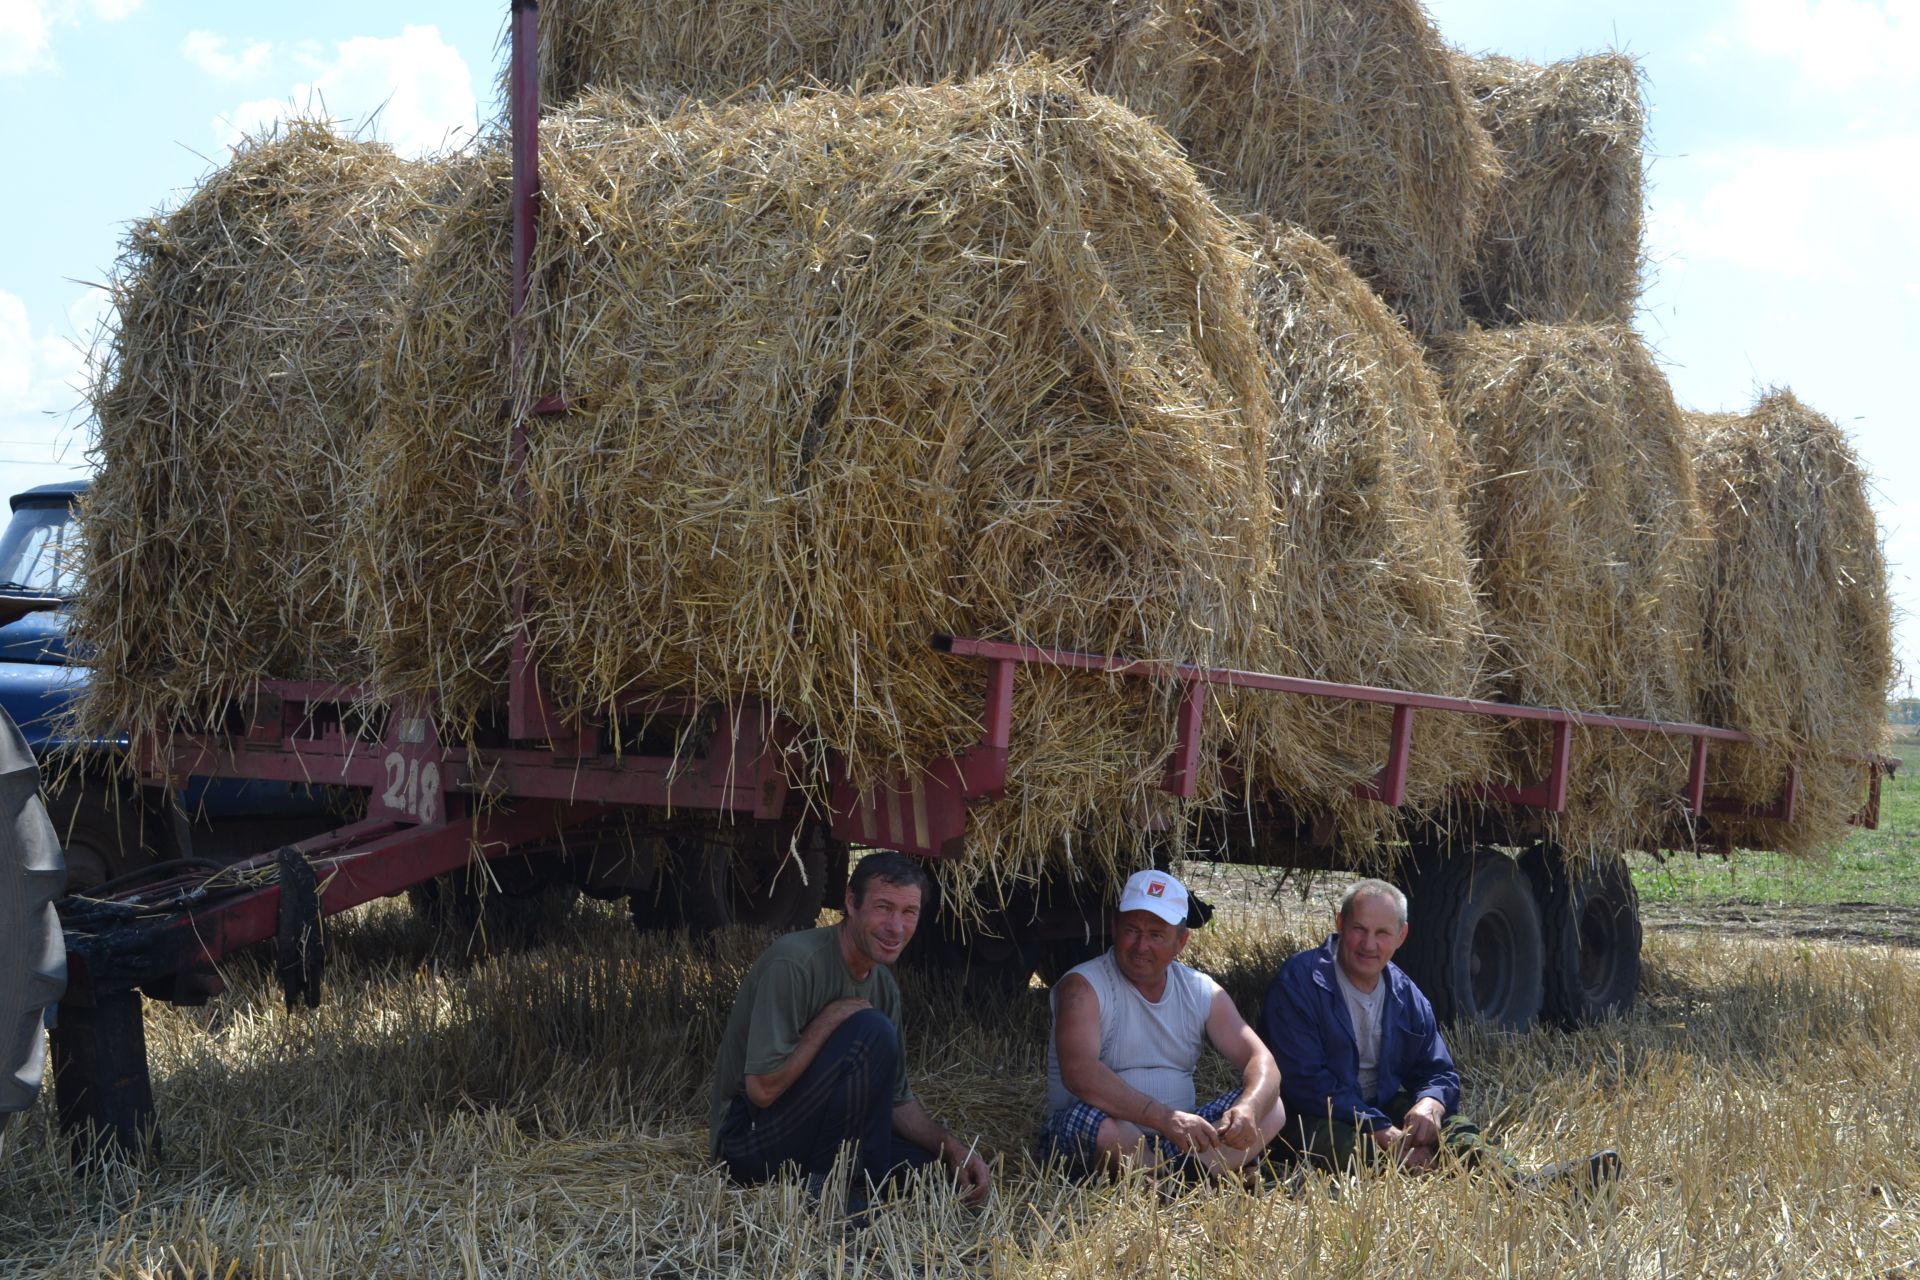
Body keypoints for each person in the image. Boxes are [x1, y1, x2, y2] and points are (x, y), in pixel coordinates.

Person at [1261, 877, 1617, 1186]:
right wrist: (1382, 1132)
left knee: (1455, 1128)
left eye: (1382, 933)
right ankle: (1408, 1165)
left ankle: (1523, 1183)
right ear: (1340, 923)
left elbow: (1437, 1070)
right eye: (1359, 929)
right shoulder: (1302, 981)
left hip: (1379, 1101)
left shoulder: (1406, 995)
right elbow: (1305, 1082)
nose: (1369, 944)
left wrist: (1430, 1104)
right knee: (1346, 1147)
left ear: (1401, 936)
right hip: (1311, 1114)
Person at [709, 851, 992, 1209]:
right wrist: (829, 1021)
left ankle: (849, 1180)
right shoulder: (794, 963)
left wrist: (953, 1148)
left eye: (909, 912)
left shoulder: (884, 986)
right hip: (750, 1141)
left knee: (938, 1176)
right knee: (870, 1028)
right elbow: (762, 1090)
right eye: (883, 908)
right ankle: (831, 1192)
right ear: (850, 902)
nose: (896, 927)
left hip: (817, 1137)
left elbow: (897, 1102)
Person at [1041, 869, 1288, 1178]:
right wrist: (1166, 1119)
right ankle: (1193, 1178)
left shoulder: (1200, 990)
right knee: (1105, 1129)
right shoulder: (1083, 987)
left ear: (1180, 942)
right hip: (1103, 1130)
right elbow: (1080, 1074)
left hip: (1180, 1137)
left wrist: (1249, 1109)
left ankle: (1175, 1179)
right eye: (1132, 930)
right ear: (1115, 928)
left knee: (1272, 1106)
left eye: (1157, 934)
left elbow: (1260, 1059)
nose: (1141, 945)